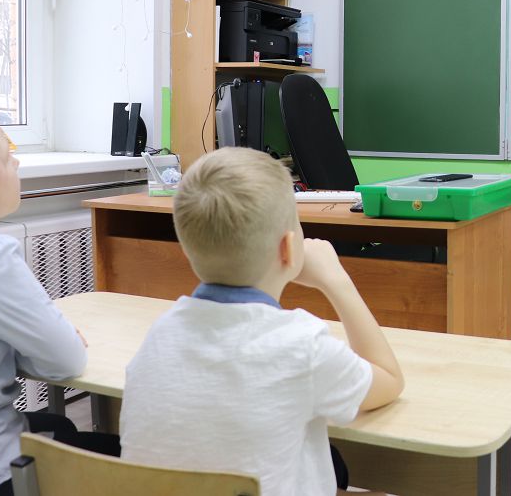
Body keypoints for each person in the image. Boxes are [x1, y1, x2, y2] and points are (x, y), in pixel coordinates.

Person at [119, 147, 404, 495]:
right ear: (288, 248)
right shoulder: (303, 347)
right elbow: (390, 380)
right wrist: (337, 281)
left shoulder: (160, 334)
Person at [0, 107, 120, 496]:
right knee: (122, 453)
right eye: (6, 157)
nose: (16, 162)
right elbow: (66, 361)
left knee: (59, 424)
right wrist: (38, 343)